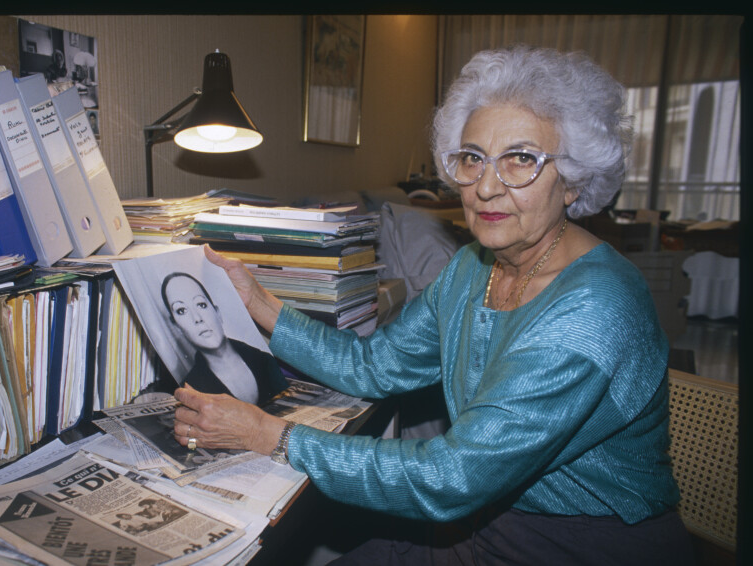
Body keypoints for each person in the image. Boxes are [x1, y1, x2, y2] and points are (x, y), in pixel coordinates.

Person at [172, 45, 694, 564]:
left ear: (573, 181)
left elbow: (453, 477)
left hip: (581, 544)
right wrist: (259, 301)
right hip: (483, 519)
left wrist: (266, 434)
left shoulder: (594, 309)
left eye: (521, 159)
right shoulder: (472, 266)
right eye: (473, 158)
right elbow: (374, 366)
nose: (486, 187)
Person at [161, 272, 286, 405]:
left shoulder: (265, 360)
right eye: (181, 311)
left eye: (201, 305)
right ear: (177, 327)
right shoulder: (190, 389)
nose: (197, 318)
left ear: (217, 312)